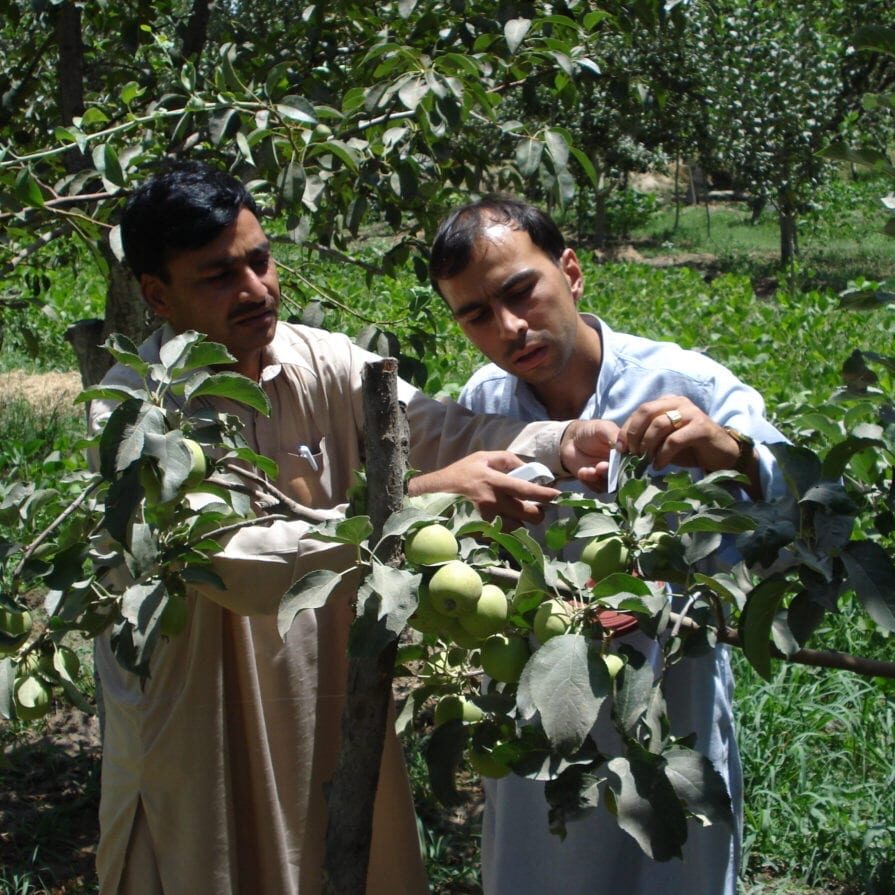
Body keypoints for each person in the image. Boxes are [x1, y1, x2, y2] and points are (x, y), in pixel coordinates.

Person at [88, 163, 617, 895]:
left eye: (260, 259)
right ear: (157, 295)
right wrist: (421, 504)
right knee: (212, 857)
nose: (255, 288)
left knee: (349, 854)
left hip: (327, 691)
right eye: (217, 275)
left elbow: (438, 429)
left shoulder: (322, 359)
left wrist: (559, 442)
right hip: (200, 713)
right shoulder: (138, 412)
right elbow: (226, 559)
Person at [429, 195, 789, 895]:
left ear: (570, 271)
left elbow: (794, 509)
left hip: (667, 703)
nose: (508, 327)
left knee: (673, 865)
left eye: (519, 291)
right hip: (539, 707)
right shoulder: (484, 403)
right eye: (476, 314)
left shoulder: (687, 387)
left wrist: (732, 453)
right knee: (543, 868)